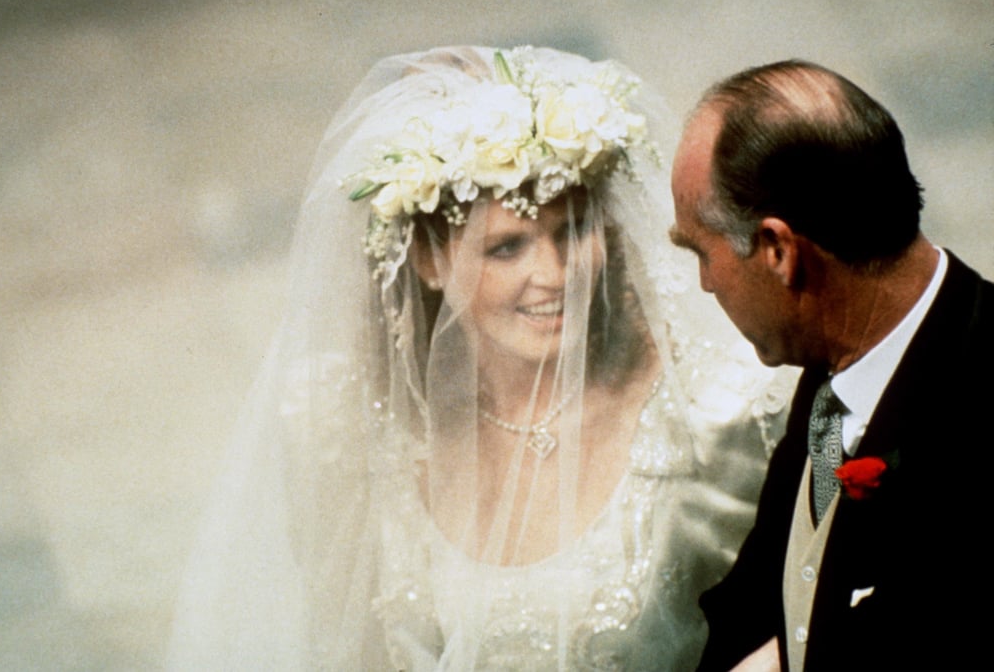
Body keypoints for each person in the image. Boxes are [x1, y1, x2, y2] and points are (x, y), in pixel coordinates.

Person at [166, 46, 792, 670]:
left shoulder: (720, 414)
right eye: (506, 248)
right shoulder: (344, 424)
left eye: (573, 231)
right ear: (430, 260)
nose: (553, 276)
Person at [670, 59, 994, 672]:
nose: (705, 284)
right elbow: (770, 591)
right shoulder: (832, 372)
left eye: (702, 252)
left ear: (778, 250)